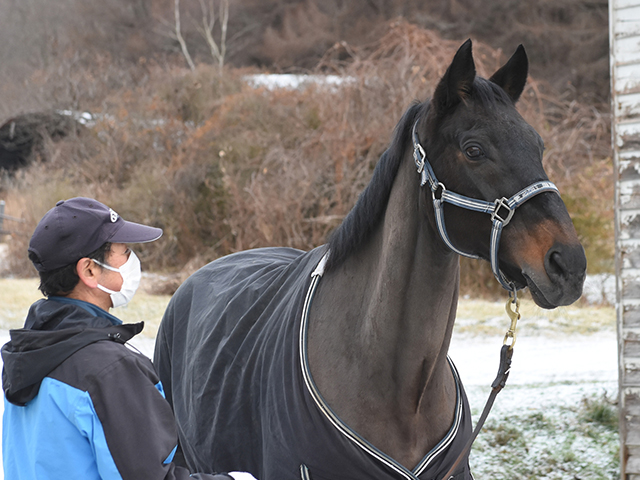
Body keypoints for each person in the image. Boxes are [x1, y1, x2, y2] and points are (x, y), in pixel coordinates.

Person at [1, 197, 256, 480]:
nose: (134, 260)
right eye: (124, 251)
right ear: (89, 270)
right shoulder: (108, 370)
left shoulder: (29, 352)